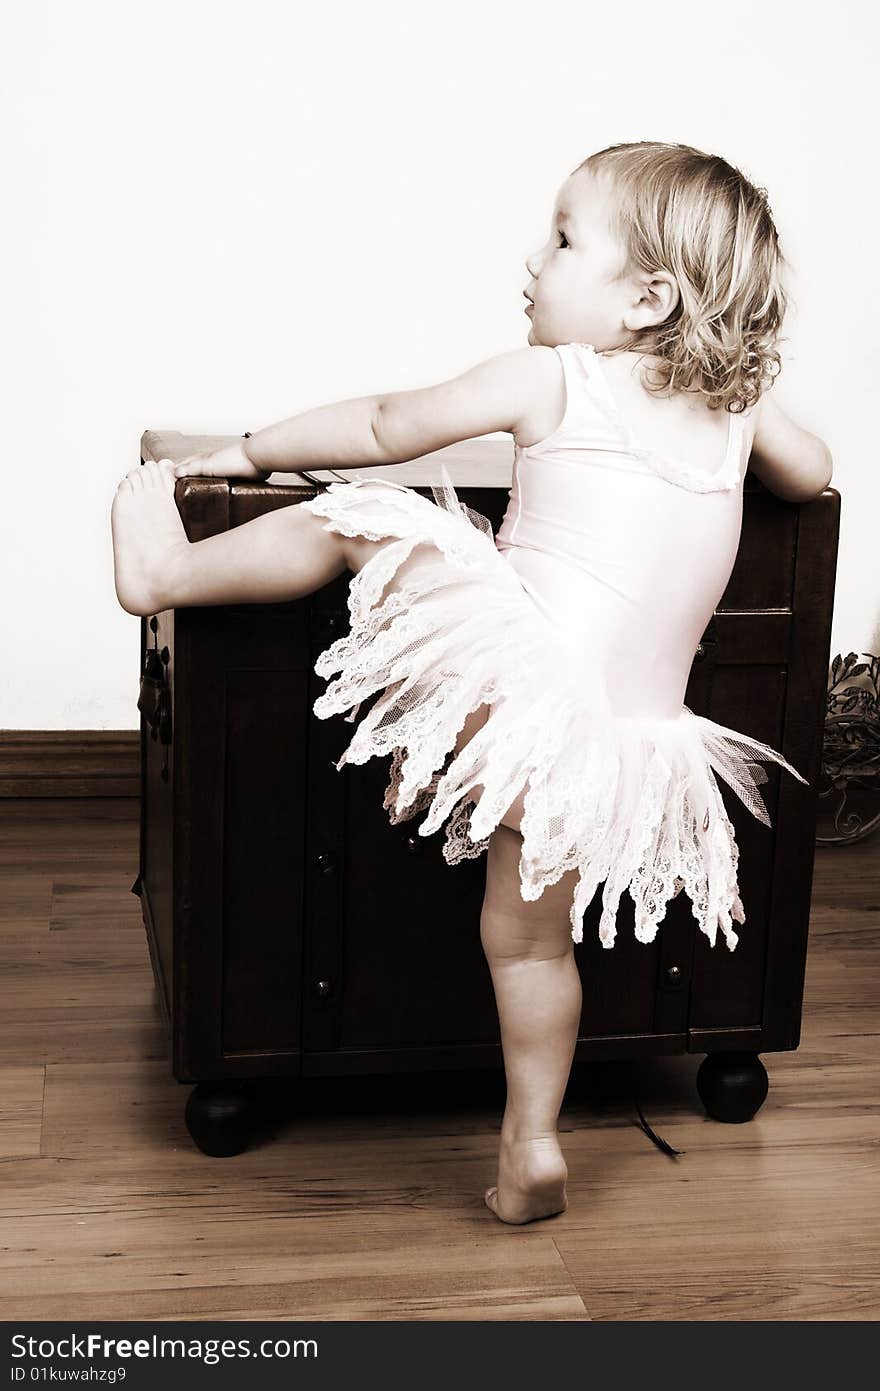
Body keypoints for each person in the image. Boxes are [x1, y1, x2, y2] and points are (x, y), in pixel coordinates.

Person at [110, 141, 832, 1226]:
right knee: (532, 945)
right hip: (624, 747)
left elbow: (383, 429)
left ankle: (169, 571)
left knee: (362, 516)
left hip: (524, 688)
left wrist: (246, 455)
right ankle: (530, 1137)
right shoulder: (734, 415)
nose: (532, 257)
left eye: (561, 236)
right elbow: (811, 474)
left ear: (646, 298)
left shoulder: (555, 373)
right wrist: (753, 396)